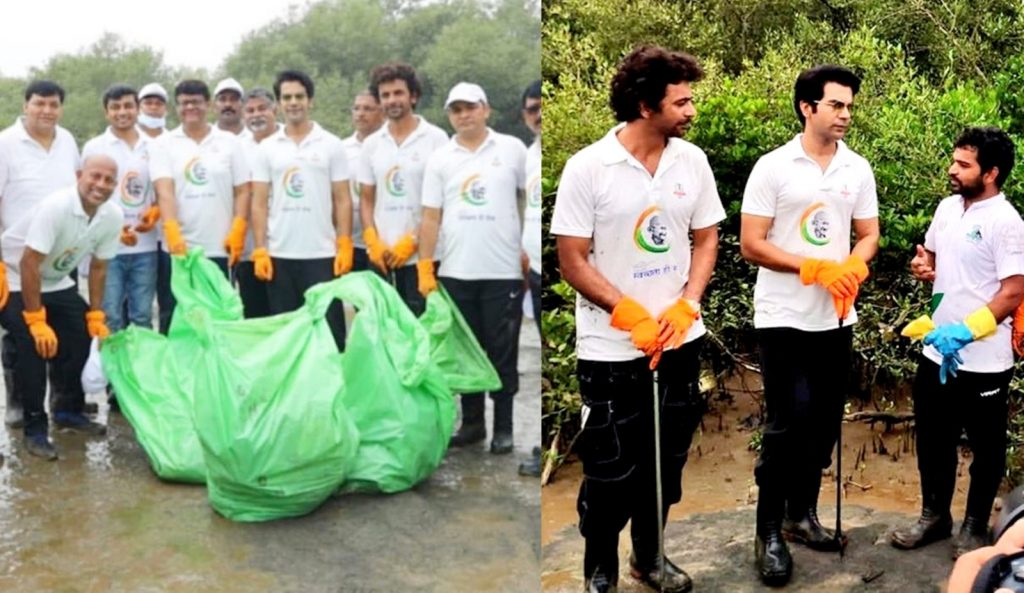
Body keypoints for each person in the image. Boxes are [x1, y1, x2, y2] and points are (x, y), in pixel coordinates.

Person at [551, 46, 724, 593]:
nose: (691, 111)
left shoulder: (690, 162)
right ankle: (600, 568)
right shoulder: (588, 167)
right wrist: (625, 311)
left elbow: (707, 237)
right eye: (682, 101)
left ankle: (649, 558)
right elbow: (572, 257)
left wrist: (688, 301)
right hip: (610, 349)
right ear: (646, 105)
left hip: (678, 340)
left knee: (666, 462)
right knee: (610, 470)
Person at [739, 64, 879, 585]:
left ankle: (803, 515)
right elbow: (751, 242)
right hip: (783, 316)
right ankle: (768, 530)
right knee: (787, 421)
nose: (845, 114)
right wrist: (811, 267)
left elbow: (868, 233)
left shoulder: (856, 169)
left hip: (837, 317)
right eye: (836, 105)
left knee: (822, 424)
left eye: (849, 106)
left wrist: (854, 264)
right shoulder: (773, 167)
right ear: (807, 107)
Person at [891, 127, 1024, 559]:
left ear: (991, 173)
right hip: (936, 350)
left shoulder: (1007, 223)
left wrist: (966, 331)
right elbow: (929, 254)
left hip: (985, 359)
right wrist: (922, 265)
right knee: (932, 437)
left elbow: (1013, 291)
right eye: (954, 160)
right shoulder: (948, 208)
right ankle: (934, 516)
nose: (952, 169)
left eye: (963, 165)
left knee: (986, 447)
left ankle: (973, 525)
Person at [417, 82, 528, 456]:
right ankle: (473, 424)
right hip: (455, 272)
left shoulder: (511, 150)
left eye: (470, 107)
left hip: (502, 272)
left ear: (486, 109)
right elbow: (430, 217)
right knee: (465, 350)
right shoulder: (441, 158)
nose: (463, 115)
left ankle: (505, 427)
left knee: (502, 350)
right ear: (449, 115)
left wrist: (524, 247)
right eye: (456, 109)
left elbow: (525, 200)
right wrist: (424, 266)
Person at [0, 155, 123, 459]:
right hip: (14, 276)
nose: (101, 185)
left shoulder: (112, 216)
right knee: (34, 345)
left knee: (81, 335)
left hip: (55, 280)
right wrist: (35, 318)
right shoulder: (58, 206)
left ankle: (67, 410)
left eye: (109, 180)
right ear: (80, 175)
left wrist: (95, 313)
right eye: (95, 176)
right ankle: (34, 428)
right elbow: (28, 262)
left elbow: (98, 268)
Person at [251, 70, 353, 349]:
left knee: (330, 336)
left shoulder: (331, 144)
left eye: (299, 96)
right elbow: (258, 202)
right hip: (280, 255)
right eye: (287, 98)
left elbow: (342, 198)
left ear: (310, 101)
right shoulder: (267, 148)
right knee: (288, 338)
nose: (293, 102)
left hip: (322, 254)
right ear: (278, 104)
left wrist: (343, 242)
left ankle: (331, 391)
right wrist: (260, 248)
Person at [0, 80, 81, 428]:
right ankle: (20, 402)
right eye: (39, 104)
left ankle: (65, 404)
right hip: (17, 262)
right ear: (26, 105)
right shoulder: (6, 144)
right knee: (23, 336)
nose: (47, 111)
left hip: (62, 257)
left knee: (68, 333)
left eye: (53, 104)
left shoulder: (67, 141)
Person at [149, 80, 251, 333]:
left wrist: (238, 227)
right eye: (184, 103)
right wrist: (172, 231)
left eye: (196, 102)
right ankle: (177, 371)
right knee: (176, 316)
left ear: (208, 105)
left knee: (218, 317)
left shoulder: (229, 142)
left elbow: (242, 190)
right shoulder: (164, 143)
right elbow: (165, 190)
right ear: (177, 107)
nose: (190, 107)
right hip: (179, 248)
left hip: (219, 246)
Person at [358, 62, 448, 315]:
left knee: (425, 329)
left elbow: (442, 201)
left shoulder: (436, 138)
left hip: (425, 256)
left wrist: (413, 240)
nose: (392, 100)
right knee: (388, 329)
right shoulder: (372, 144)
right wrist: (372, 241)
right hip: (382, 256)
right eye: (385, 95)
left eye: (398, 93)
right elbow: (366, 199)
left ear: (413, 96)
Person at [81, 85, 158, 334]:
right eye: (115, 107)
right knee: (110, 316)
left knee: (143, 317)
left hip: (146, 246)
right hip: (107, 248)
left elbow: (163, 188)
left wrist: (155, 212)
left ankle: (142, 370)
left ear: (138, 109)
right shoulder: (95, 147)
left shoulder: (155, 145)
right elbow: (85, 195)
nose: (122, 112)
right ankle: (112, 372)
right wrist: (111, 227)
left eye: (128, 106)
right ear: (106, 113)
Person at [235, 87, 280, 319]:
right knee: (255, 314)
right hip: (251, 250)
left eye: (262, 108)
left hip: (287, 246)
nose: (256, 115)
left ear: (275, 109)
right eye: (250, 110)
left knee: (285, 314)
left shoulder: (289, 141)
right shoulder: (237, 147)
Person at [517, 79, 543, 478]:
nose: (537, 114)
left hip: (548, 271)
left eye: (543, 106)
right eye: (531, 108)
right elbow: (525, 205)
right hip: (532, 270)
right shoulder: (529, 153)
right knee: (540, 354)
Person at [342, 90, 384, 272]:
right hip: (353, 242)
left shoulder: (386, 145)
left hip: (383, 242)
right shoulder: (342, 148)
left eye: (368, 109)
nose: (360, 113)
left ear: (381, 112)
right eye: (356, 108)